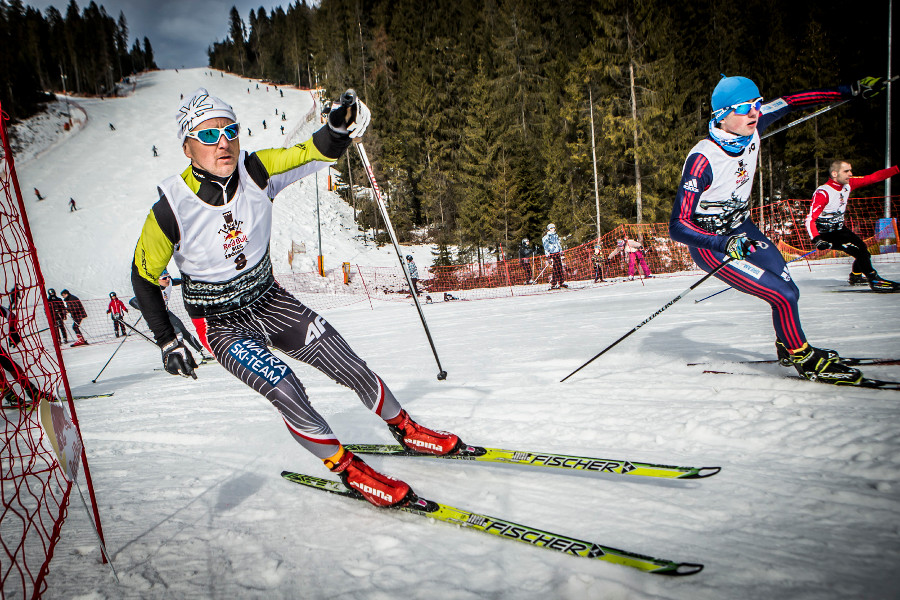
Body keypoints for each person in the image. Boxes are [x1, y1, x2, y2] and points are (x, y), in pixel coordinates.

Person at [130, 87, 461, 508]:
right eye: (209, 135)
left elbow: (311, 153)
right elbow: (142, 277)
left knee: (348, 363)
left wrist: (337, 130)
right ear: (187, 145)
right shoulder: (170, 208)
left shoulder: (257, 170)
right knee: (285, 388)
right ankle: (349, 470)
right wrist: (166, 339)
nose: (223, 142)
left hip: (269, 300)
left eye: (229, 130)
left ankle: (406, 428)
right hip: (221, 324)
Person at [670, 74, 881, 385]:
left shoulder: (754, 122)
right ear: (722, 114)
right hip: (712, 244)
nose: (754, 113)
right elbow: (677, 225)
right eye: (743, 108)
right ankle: (804, 357)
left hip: (744, 228)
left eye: (756, 103)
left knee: (789, 290)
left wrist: (847, 90)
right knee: (781, 295)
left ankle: (788, 342)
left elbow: (793, 101)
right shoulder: (703, 161)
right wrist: (722, 243)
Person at [805, 160, 900, 291]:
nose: (851, 174)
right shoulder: (823, 193)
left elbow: (873, 178)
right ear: (834, 173)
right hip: (826, 234)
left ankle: (856, 276)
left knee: (864, 251)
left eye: (850, 170)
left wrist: (897, 169)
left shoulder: (848, 184)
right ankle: (874, 279)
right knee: (859, 250)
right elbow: (810, 219)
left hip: (840, 230)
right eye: (846, 171)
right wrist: (817, 239)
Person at [542, 223, 566, 290]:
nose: (553, 229)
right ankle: (554, 283)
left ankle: (561, 282)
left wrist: (561, 252)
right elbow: (546, 247)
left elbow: (558, 244)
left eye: (554, 228)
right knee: (555, 269)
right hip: (552, 253)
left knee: (560, 268)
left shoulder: (556, 235)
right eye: (551, 228)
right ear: (549, 229)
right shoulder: (546, 237)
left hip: (557, 252)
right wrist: (548, 256)